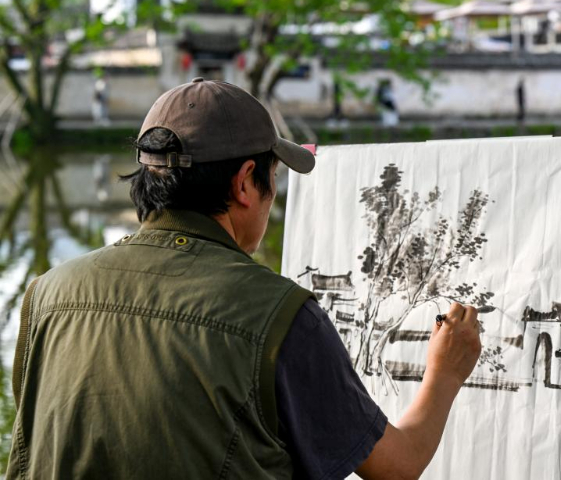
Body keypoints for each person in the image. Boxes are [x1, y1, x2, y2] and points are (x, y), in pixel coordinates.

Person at [7, 78, 482, 479]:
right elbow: (397, 466)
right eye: (273, 179)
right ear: (244, 182)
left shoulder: (47, 293)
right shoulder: (279, 314)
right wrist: (445, 372)